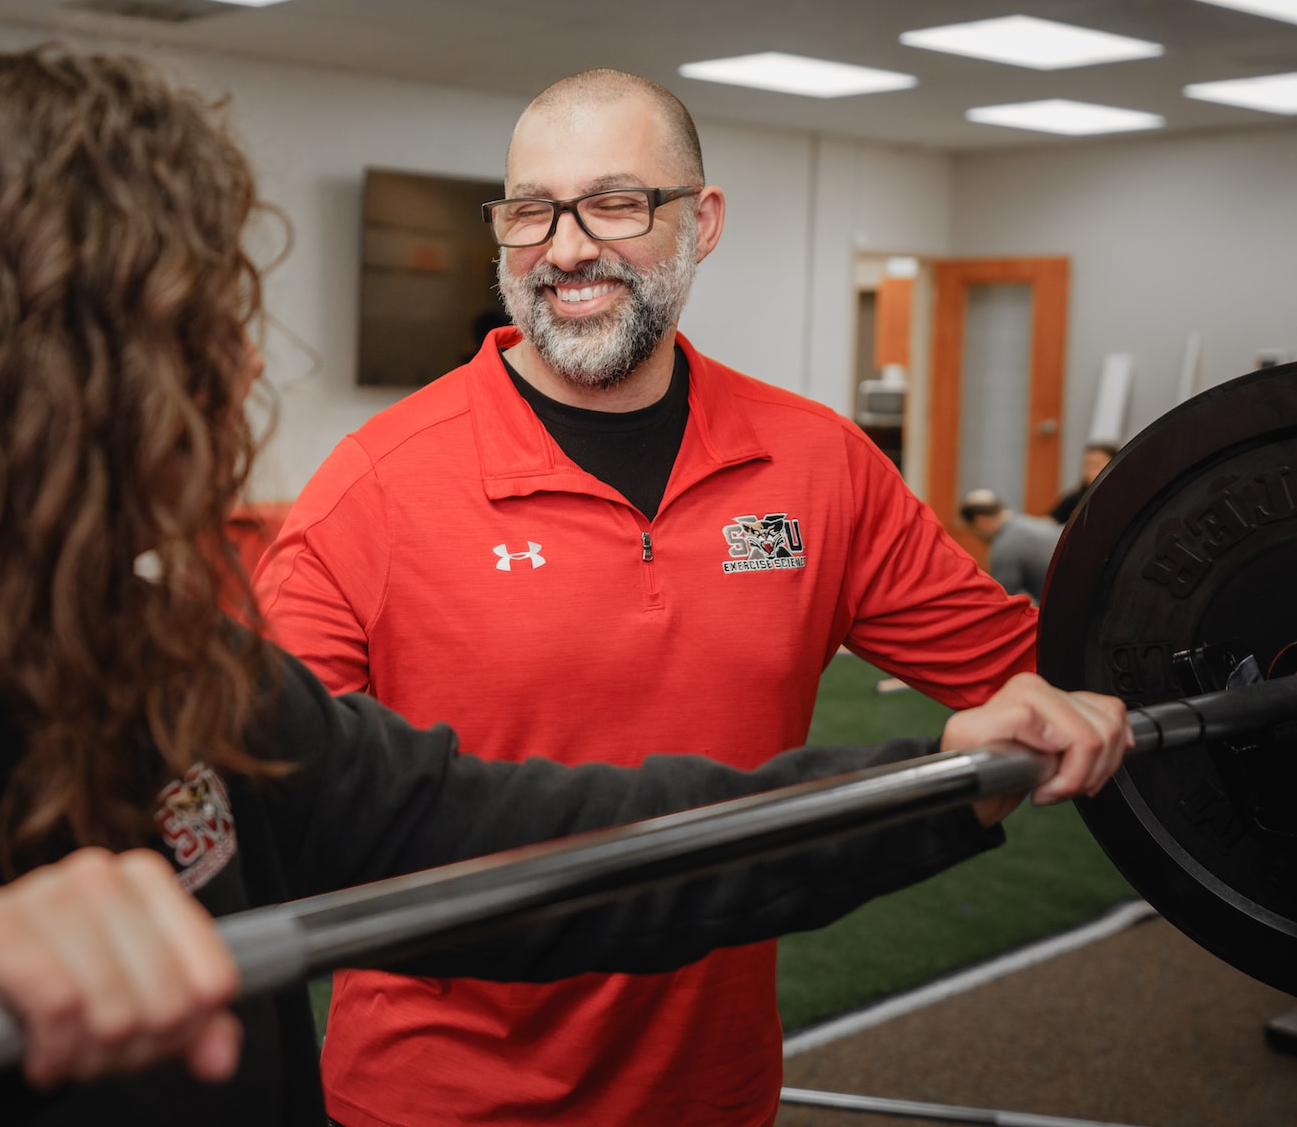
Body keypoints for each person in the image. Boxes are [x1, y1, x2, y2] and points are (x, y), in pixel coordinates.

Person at [0, 51, 1129, 1125]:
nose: (248, 368)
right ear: (16, 375)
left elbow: (547, 847)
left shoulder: (161, 667)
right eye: (194, 329)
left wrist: (942, 780)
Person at [255, 68, 1124, 1127]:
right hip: (433, 1103)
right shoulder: (371, 489)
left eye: (616, 201)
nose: (566, 247)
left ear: (701, 221)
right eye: (531, 210)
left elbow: (1036, 672)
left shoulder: (819, 467)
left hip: (716, 1095)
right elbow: (282, 809)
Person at [960, 488, 1064, 602]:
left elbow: (1001, 601)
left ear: (981, 521)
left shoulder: (1004, 547)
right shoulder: (1026, 523)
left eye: (972, 530)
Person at [1049, 438, 1119, 525]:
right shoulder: (1075, 498)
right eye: (1087, 465)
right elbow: (1049, 523)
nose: (1090, 470)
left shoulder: (1122, 498)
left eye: (1096, 465)